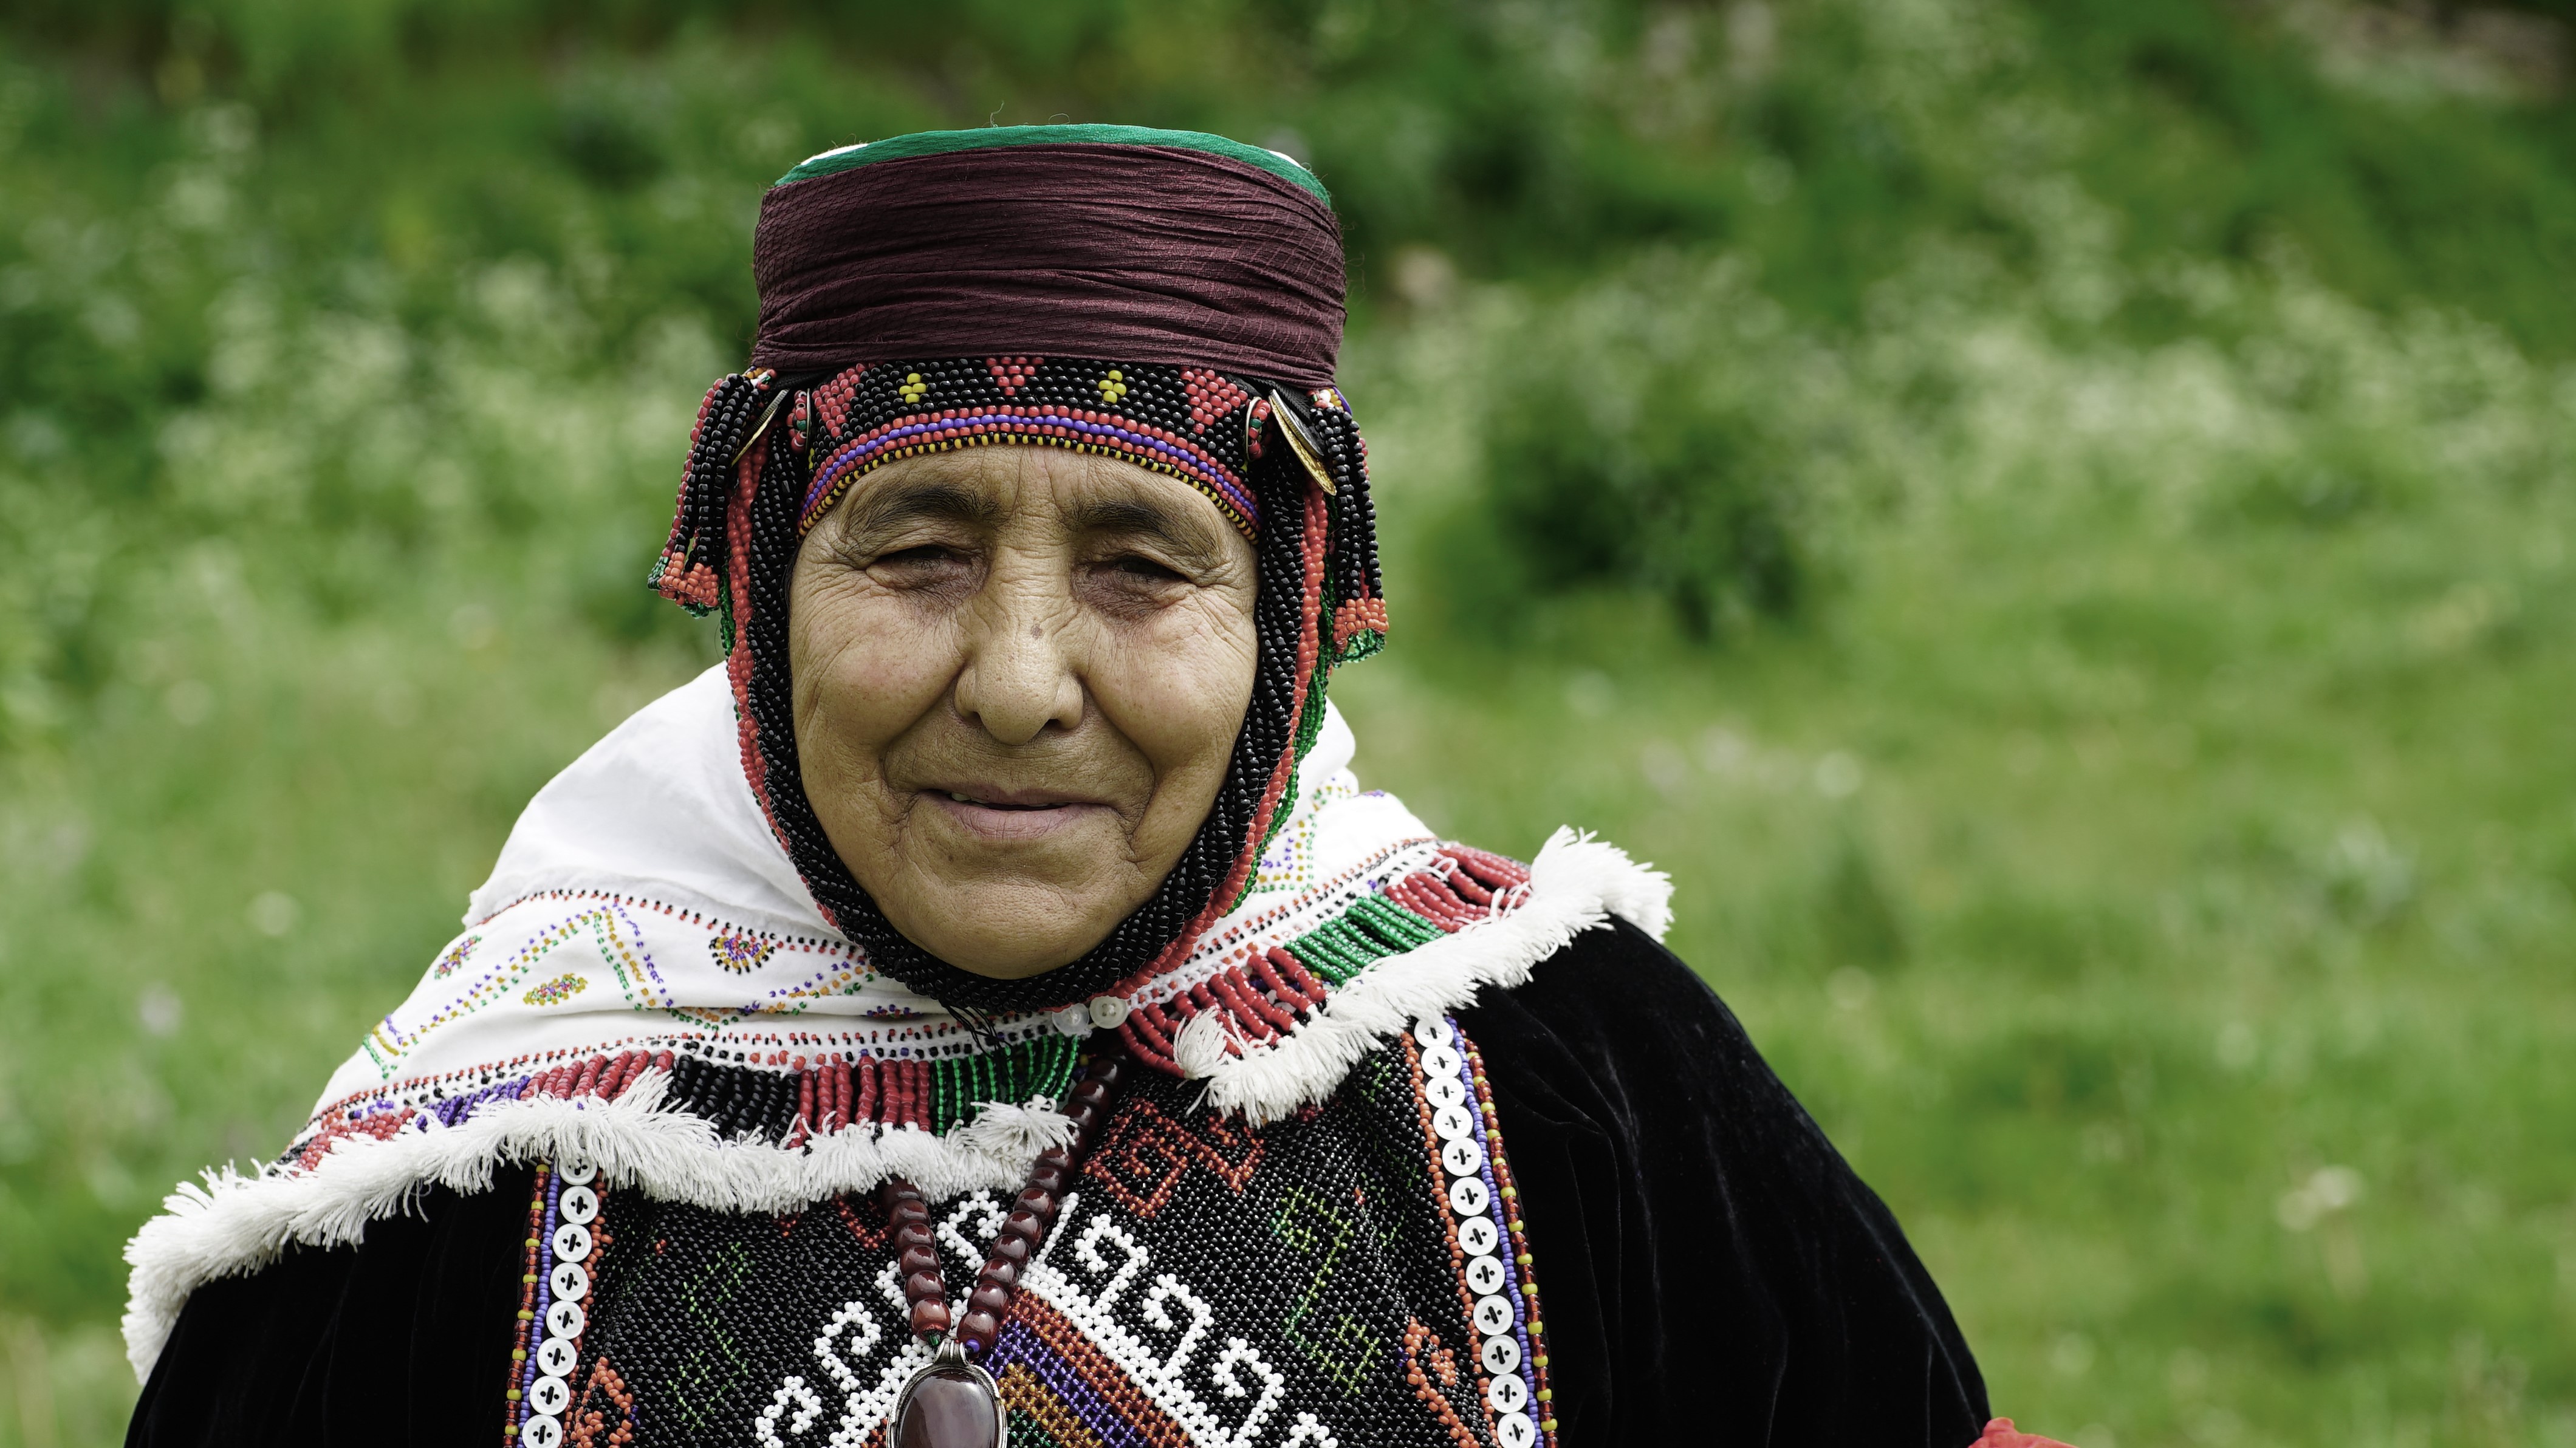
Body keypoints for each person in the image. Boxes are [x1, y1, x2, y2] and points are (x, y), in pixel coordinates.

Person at [122, 125, 2007, 1448]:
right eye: (915, 549)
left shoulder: (1572, 1088)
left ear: (1292, 622)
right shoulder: (474, 1180)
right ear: (761, 588)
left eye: (1144, 566)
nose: (1021, 686)